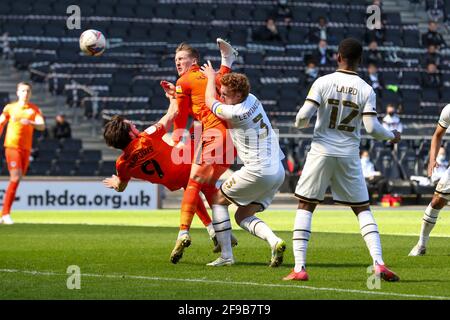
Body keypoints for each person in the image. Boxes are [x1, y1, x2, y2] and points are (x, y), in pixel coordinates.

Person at [283, 38, 401, 282]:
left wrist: (300, 123)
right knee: (362, 209)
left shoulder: (323, 82)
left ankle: (299, 268)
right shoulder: (366, 89)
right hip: (348, 153)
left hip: (321, 152)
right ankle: (378, 262)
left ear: (338, 57)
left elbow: (303, 116)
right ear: (360, 61)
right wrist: (392, 136)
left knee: (306, 205)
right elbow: (372, 128)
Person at [102, 99, 237, 256]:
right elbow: (172, 114)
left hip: (172, 180)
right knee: (199, 124)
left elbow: (121, 186)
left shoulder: (122, 164)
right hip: (185, 163)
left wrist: (115, 183)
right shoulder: (147, 137)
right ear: (130, 133)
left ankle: (213, 231)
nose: (135, 125)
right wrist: (173, 97)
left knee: (191, 190)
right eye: (131, 125)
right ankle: (214, 231)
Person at [160, 39, 239, 264]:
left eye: (181, 59)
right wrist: (176, 95)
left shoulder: (184, 80)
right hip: (231, 138)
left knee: (193, 181)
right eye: (175, 59)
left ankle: (183, 232)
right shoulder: (209, 76)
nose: (177, 62)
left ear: (193, 60)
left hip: (214, 134)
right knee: (205, 185)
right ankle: (221, 235)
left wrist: (176, 137)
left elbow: (181, 114)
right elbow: (222, 87)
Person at [201, 64, 287, 267]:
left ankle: (226, 256)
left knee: (218, 200)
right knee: (242, 215)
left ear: (238, 95)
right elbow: (223, 95)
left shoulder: (236, 112)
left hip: (258, 170)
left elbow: (208, 101)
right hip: (278, 170)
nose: (222, 98)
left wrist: (210, 77)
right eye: (221, 93)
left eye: (226, 95)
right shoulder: (253, 99)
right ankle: (275, 242)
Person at [0, 82, 45, 225]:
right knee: (16, 176)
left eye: (28, 91)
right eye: (23, 90)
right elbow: (1, 122)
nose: (25, 93)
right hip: (12, 147)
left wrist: (31, 123)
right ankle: (6, 213)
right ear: (17, 93)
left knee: (18, 178)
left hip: (25, 149)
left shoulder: (34, 110)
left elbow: (42, 125)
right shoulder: (10, 108)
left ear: (30, 93)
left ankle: (3, 214)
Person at [409, 107, 450, 256]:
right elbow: (437, 135)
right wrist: (432, 159)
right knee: (437, 201)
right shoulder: (448, 110)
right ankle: (421, 244)